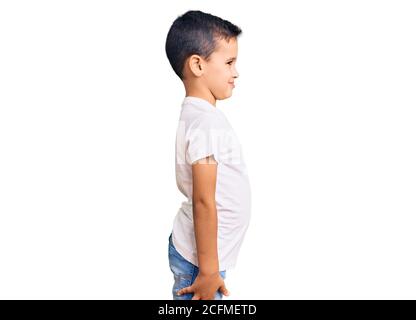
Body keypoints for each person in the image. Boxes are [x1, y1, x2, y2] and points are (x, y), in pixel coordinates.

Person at [165, 10, 251, 300]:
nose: (236, 72)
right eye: (229, 62)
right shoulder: (205, 122)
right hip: (200, 264)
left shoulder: (197, 115)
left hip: (202, 258)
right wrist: (209, 271)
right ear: (198, 65)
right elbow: (204, 200)